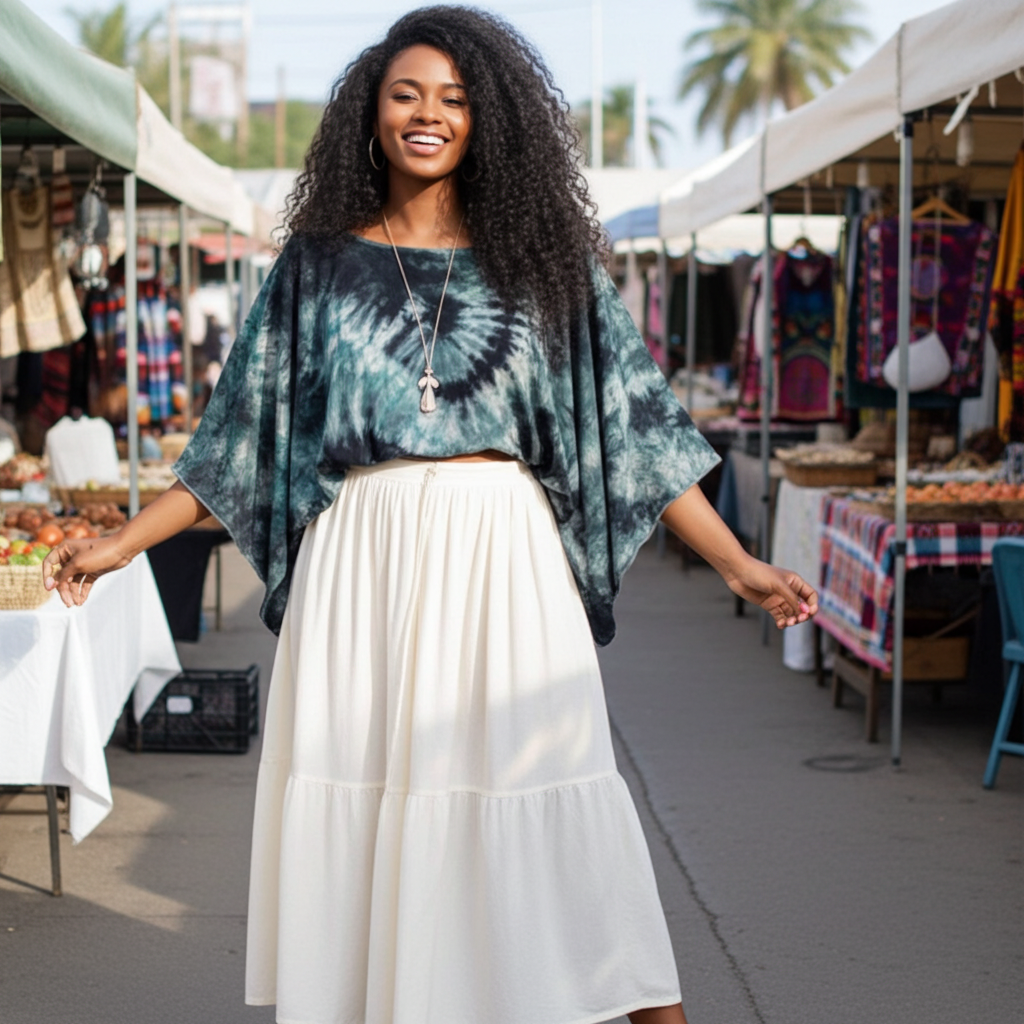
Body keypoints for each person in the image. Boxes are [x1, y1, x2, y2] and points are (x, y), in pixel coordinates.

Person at [43, 8, 817, 1024]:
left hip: (503, 558)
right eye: (406, 94)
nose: (428, 115)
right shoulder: (312, 272)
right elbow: (232, 446)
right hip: (359, 563)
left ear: (486, 121)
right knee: (367, 805)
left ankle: (643, 1006)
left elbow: (635, 432)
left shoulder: (547, 266)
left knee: (554, 788)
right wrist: (119, 544)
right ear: (369, 114)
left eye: (454, 100)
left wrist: (736, 564)